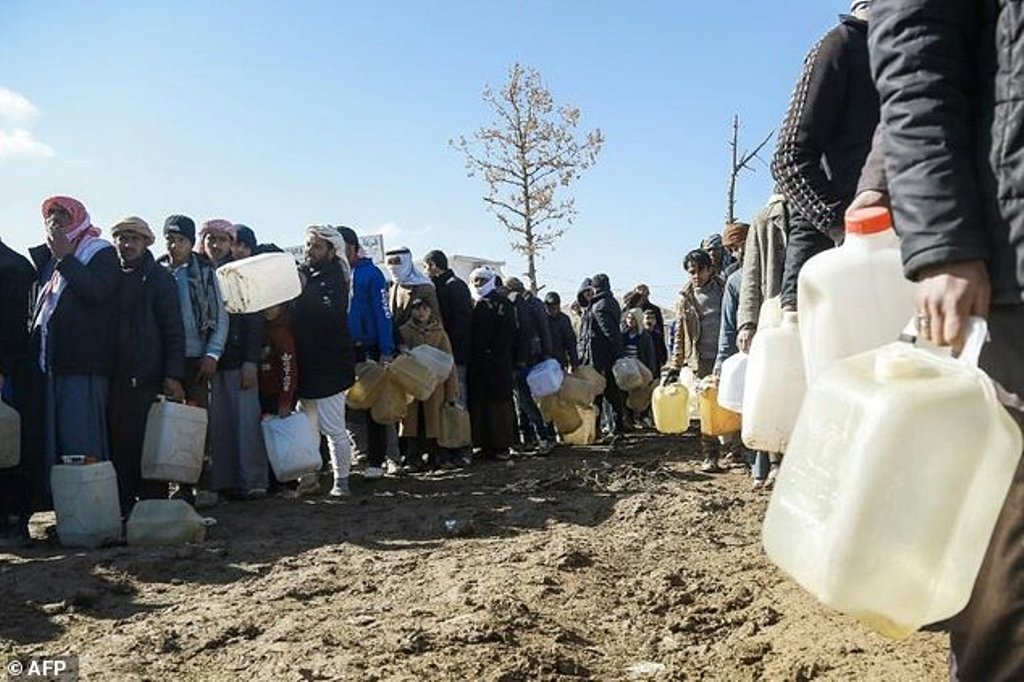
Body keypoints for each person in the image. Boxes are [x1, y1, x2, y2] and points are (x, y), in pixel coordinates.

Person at [869, 2, 1024, 676]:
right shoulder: (828, 54)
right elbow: (915, 50)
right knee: (1009, 569)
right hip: (1014, 264)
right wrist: (943, 244)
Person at [771, 1, 878, 312]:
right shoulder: (841, 45)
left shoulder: (916, 59)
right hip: (828, 264)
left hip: (891, 256)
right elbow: (789, 159)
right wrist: (844, 229)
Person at [29, 196, 120, 483]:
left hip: (84, 365)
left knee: (82, 440)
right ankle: (65, 510)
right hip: (53, 365)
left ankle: (90, 511)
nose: (55, 218)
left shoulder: (98, 252)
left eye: (62, 214)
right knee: (56, 443)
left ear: (77, 218)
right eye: (50, 213)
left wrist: (67, 258)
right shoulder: (50, 257)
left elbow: (99, 293)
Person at [109, 216, 185, 515]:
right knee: (120, 444)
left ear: (145, 242)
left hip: (150, 378)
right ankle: (125, 507)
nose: (127, 245)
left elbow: (173, 329)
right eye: (123, 238)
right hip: (117, 378)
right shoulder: (111, 276)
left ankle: (153, 508)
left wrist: (172, 374)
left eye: (134, 239)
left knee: (150, 444)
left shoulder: (158, 278)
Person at [198, 219, 268, 501]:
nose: (216, 245)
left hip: (239, 359)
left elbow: (253, 320)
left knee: (246, 425)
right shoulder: (197, 271)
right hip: (207, 362)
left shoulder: (239, 273)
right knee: (219, 426)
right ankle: (224, 482)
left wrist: (251, 361)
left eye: (222, 240)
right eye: (210, 239)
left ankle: (253, 481)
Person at [293, 225, 356, 497]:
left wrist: (304, 291)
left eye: (317, 246)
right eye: (308, 245)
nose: (310, 251)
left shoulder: (336, 280)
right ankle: (309, 480)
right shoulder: (305, 275)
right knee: (307, 428)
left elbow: (328, 313)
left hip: (330, 365)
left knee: (333, 428)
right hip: (306, 363)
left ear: (332, 251)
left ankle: (342, 481)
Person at [664, 250, 725, 471]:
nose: (696, 276)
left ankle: (737, 451)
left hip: (725, 357)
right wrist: (675, 365)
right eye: (692, 272)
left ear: (710, 269)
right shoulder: (685, 299)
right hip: (701, 362)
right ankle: (711, 455)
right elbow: (680, 335)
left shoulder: (724, 290)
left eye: (700, 270)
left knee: (731, 405)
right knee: (707, 411)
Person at [343, 226, 395, 479]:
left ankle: (377, 460)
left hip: (369, 346)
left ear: (352, 247)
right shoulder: (335, 274)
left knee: (375, 404)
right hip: (341, 349)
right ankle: (357, 454)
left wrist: (386, 348)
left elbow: (383, 313)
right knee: (346, 405)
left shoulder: (371, 274)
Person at [0, 238, 38, 546]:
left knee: (9, 449)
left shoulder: (12, 269)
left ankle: (14, 521)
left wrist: (2, 369)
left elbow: (13, 329)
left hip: (9, 375)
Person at [397, 298, 460, 469]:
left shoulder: (439, 332)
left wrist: (452, 389)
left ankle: (438, 456)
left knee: (435, 421)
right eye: (417, 309)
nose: (421, 312)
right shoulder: (404, 332)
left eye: (425, 308)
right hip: (412, 384)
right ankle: (412, 458)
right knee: (411, 422)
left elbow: (449, 361)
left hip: (435, 384)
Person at [467, 267, 517, 461]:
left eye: (482, 280)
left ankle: (502, 445)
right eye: (476, 280)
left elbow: (509, 332)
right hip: (478, 364)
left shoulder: (502, 303)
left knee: (499, 405)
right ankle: (485, 445)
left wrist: (493, 350)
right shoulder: (475, 304)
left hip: (497, 362)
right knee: (481, 404)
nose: (478, 284)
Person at [505, 277, 555, 455]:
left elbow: (522, 332)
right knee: (528, 398)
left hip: (522, 358)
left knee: (524, 399)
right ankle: (533, 437)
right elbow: (544, 330)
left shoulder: (519, 305)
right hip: (534, 356)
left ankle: (542, 436)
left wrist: (519, 358)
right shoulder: (535, 303)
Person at [737, 193, 789, 353]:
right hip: (775, 313)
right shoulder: (764, 220)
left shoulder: (821, 210)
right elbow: (751, 277)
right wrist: (748, 324)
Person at [580, 273, 626, 439]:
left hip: (600, 358)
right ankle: (616, 426)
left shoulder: (599, 306)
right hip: (608, 356)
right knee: (611, 392)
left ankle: (599, 429)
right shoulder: (611, 302)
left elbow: (609, 332)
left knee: (600, 393)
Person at [385, 247, 441, 329]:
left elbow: (435, 321)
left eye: (397, 262)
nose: (393, 266)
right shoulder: (394, 287)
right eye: (390, 263)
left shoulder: (425, 287)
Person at [545, 292, 579, 371]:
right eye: (552, 309)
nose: (555, 311)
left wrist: (574, 363)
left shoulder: (564, 319)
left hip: (560, 361)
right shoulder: (541, 319)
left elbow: (570, 342)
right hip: (544, 361)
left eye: (557, 308)